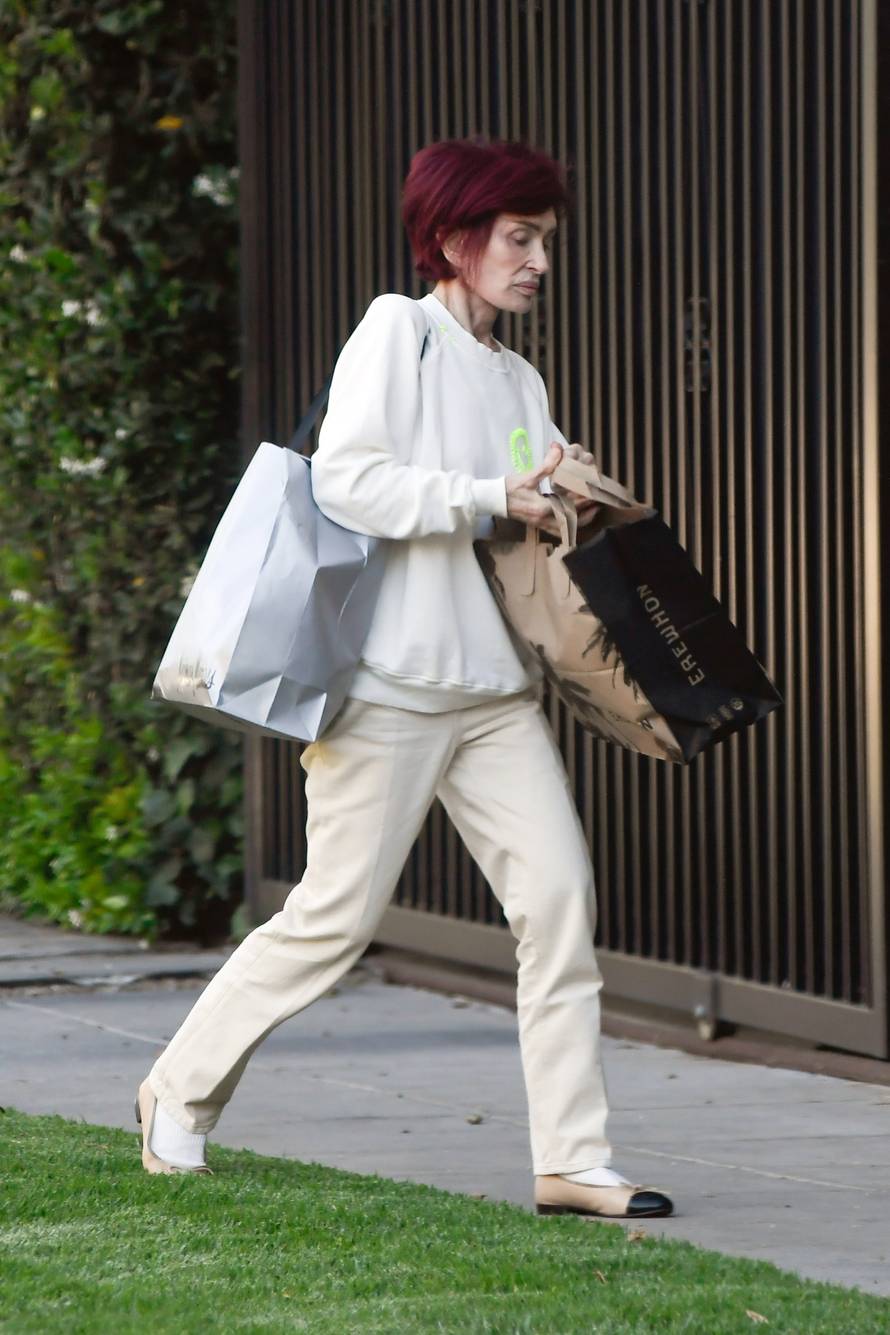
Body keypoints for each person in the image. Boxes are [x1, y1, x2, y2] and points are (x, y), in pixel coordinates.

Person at [137, 136, 674, 1221]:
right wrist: (487, 494)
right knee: (331, 920)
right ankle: (175, 1093)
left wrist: (565, 497)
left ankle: (571, 1160)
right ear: (453, 239)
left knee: (559, 906)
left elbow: (531, 513)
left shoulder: (517, 374)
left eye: (543, 242)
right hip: (386, 689)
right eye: (519, 240)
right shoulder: (399, 331)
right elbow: (349, 479)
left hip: (495, 700)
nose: (536, 263)